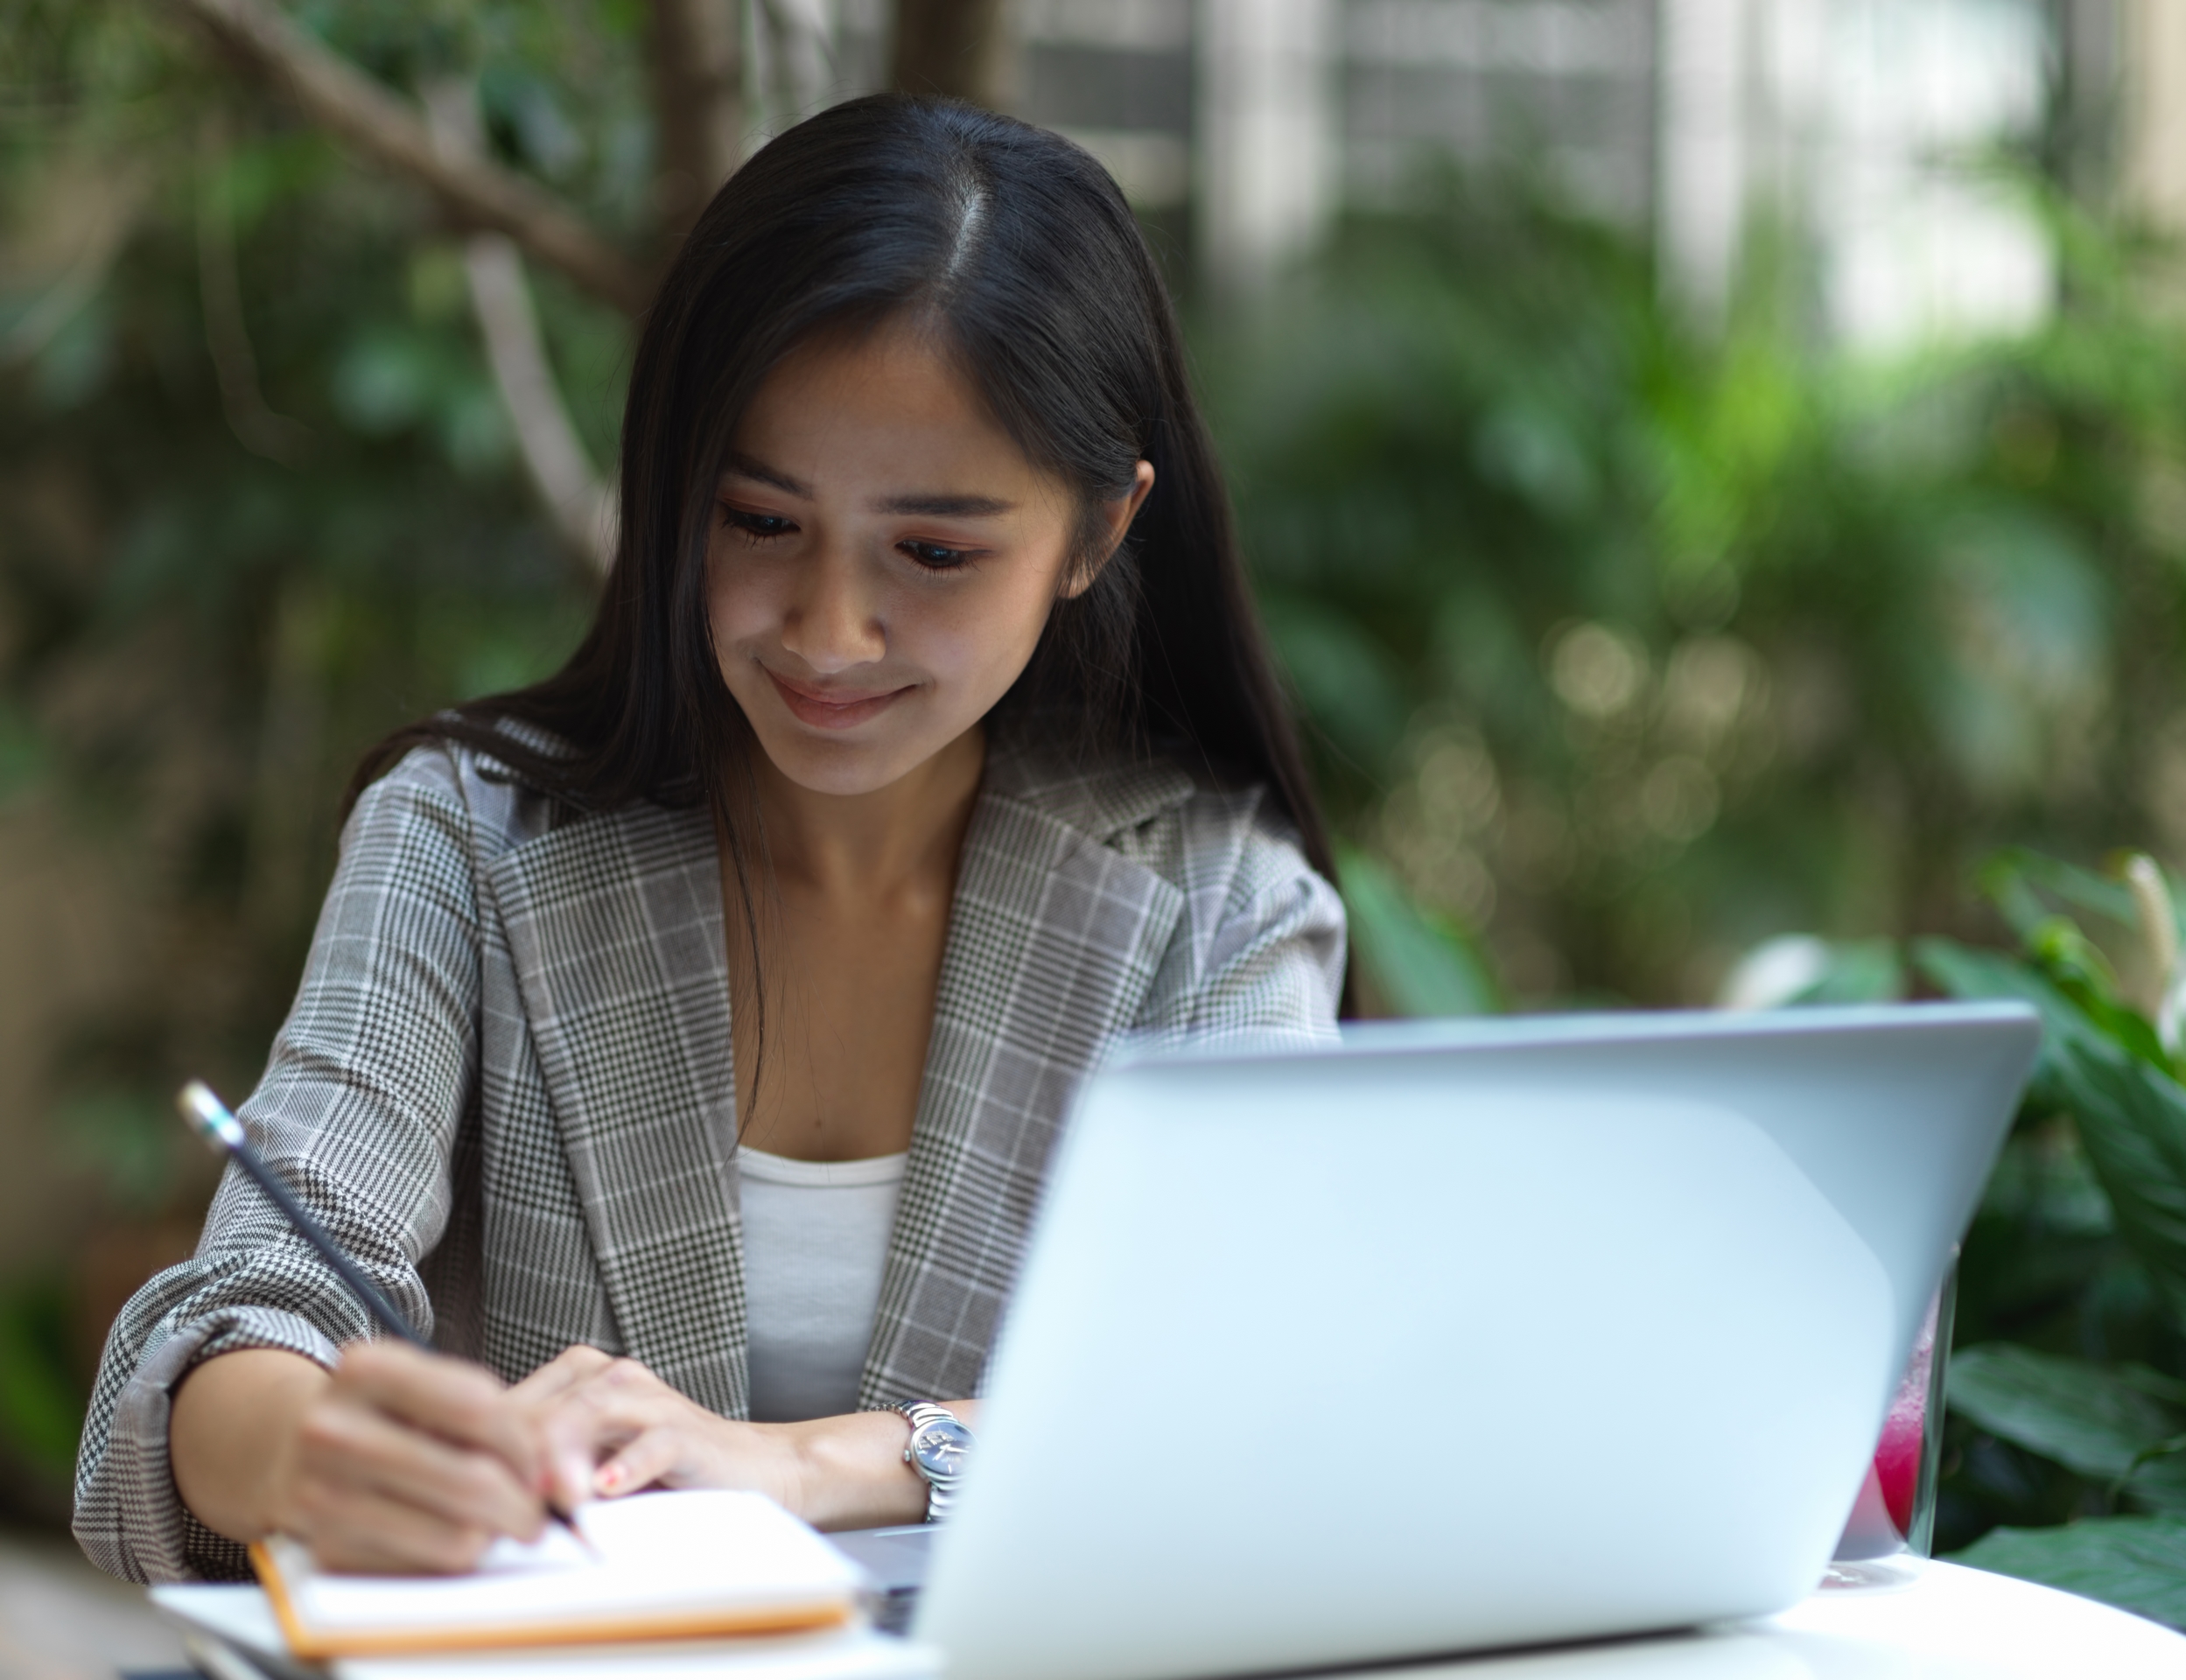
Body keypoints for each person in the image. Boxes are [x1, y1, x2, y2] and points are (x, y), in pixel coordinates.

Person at [74, 94, 1346, 1585]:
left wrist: (813, 1468)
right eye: (758, 522)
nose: (829, 631)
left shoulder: (1219, 908)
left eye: (933, 552)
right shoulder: (465, 843)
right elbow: (231, 1330)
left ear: (1098, 533)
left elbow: (1244, 1411)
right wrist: (317, 1446)